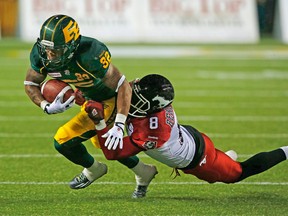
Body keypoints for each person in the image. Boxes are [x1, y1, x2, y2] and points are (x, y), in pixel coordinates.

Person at [85, 74, 288, 197]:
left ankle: (284, 151)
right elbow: (121, 91)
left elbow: (113, 153)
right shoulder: (152, 105)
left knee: (237, 174)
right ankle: (224, 158)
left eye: (137, 97)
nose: (131, 97)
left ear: (151, 106)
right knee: (220, 170)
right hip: (186, 136)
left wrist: (99, 122)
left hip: (199, 157)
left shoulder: (152, 132)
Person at [24, 14, 157, 198]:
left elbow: (122, 85)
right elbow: (30, 83)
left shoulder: (91, 54)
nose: (49, 55)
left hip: (109, 100)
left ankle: (94, 170)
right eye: (46, 48)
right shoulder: (42, 54)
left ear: (72, 47)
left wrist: (119, 123)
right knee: (103, 144)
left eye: (56, 50)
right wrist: (45, 105)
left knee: (63, 140)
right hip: (89, 100)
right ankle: (143, 172)